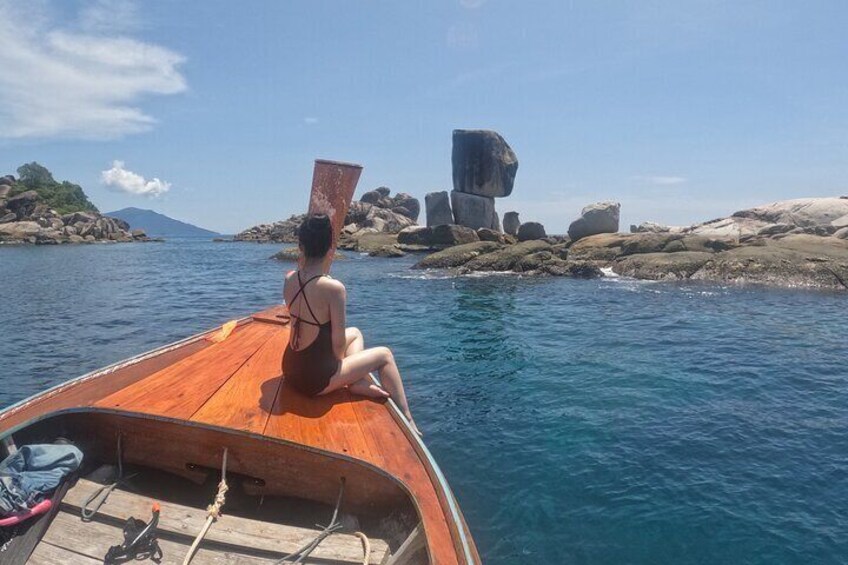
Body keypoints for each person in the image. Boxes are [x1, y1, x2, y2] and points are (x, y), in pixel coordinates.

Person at [282, 213, 421, 436]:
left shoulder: (289, 279)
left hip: (290, 368)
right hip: (313, 381)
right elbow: (338, 344)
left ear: (300, 246)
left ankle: (357, 382)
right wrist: (341, 370)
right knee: (385, 355)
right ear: (331, 248)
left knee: (355, 332)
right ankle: (409, 420)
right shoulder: (334, 288)